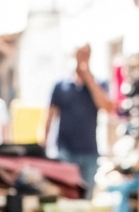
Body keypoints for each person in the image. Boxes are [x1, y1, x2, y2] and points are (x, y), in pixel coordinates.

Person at [45, 45, 117, 197]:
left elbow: (107, 107)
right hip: (65, 152)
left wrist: (88, 78)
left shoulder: (99, 83)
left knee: (86, 198)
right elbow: (49, 116)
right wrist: (43, 144)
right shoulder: (61, 86)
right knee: (66, 196)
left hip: (89, 152)